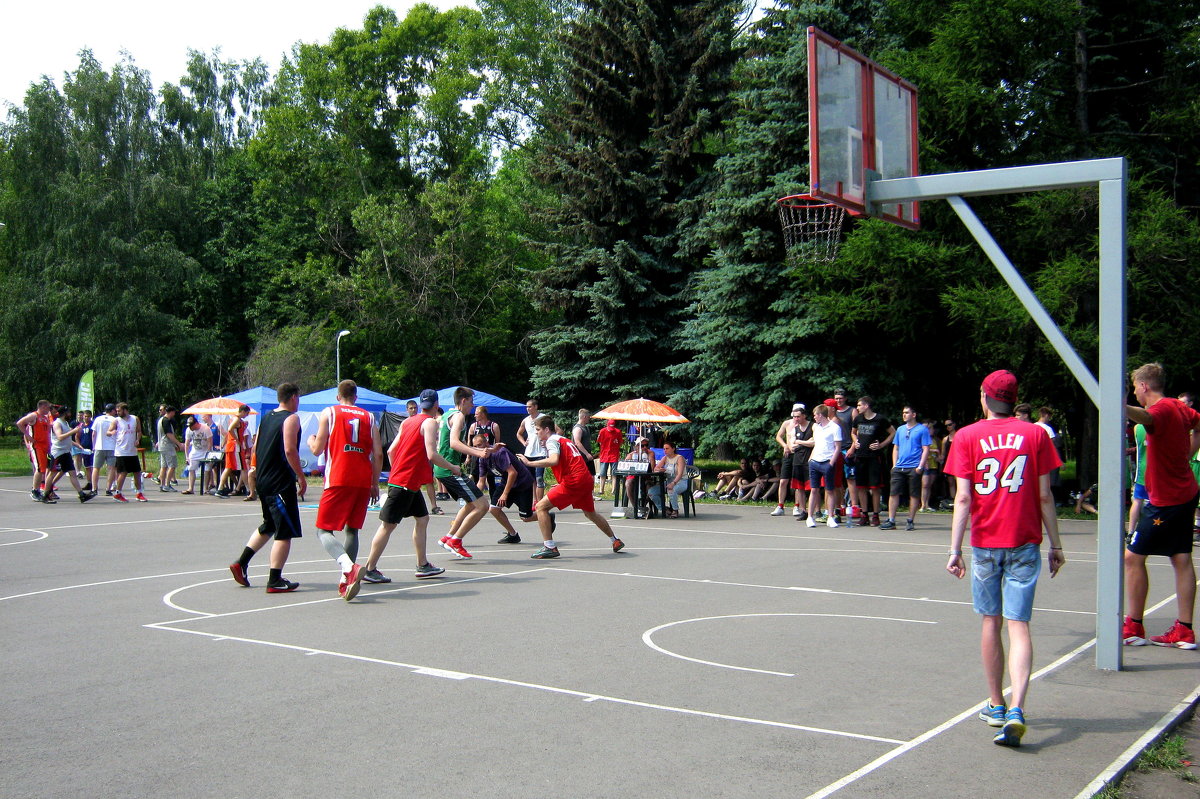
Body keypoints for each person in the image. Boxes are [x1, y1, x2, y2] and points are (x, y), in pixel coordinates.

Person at [945, 369, 1065, 748]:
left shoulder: (966, 436)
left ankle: (996, 703)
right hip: (1024, 540)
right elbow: (1045, 495)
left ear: (985, 397)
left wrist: (954, 548)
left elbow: (963, 498)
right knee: (1019, 625)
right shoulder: (1035, 434)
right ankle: (1017, 708)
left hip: (985, 541)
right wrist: (1056, 544)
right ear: (1015, 399)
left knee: (990, 622)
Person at [1122, 363, 1200, 650]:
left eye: (1134, 388)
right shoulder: (1180, 408)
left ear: (1143, 386)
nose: (1134, 393)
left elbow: (1145, 417)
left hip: (1167, 500)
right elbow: (1199, 425)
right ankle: (1185, 629)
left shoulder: (1163, 408)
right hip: (1184, 492)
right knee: (1181, 558)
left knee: (1132, 558)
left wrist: (1122, 407)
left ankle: (1133, 626)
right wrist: (1186, 456)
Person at [362, 388, 453, 583]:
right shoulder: (429, 422)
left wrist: (399, 469)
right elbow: (431, 454)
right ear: (436, 405)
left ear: (421, 405)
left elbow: (391, 451)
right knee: (388, 525)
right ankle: (369, 568)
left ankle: (422, 564)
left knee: (422, 518)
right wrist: (453, 467)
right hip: (405, 482)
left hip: (408, 482)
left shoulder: (407, 421)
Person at [228, 383, 308, 593]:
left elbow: (255, 447)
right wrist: (301, 476)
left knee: (269, 525)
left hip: (264, 479)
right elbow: (290, 450)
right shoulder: (291, 418)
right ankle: (275, 579)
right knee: (285, 531)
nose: (298, 402)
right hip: (279, 481)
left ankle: (241, 563)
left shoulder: (267, 417)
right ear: (292, 398)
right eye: (298, 397)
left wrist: (255, 470)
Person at [307, 380, 382, 601]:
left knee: (323, 530)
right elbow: (378, 454)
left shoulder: (330, 412)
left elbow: (317, 449)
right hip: (362, 479)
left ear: (338, 396)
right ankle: (346, 581)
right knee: (352, 530)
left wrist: (311, 439)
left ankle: (348, 567)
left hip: (339, 477)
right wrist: (374, 483)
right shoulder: (369, 417)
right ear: (356, 397)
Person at [519, 415, 625, 558]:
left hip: (574, 481)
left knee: (540, 507)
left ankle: (549, 546)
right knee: (590, 513)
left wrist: (530, 463)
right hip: (584, 479)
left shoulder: (551, 441)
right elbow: (571, 462)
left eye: (538, 430)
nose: (536, 433)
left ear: (546, 429)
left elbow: (554, 460)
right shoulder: (564, 440)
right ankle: (615, 540)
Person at [435, 387, 499, 560]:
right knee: (483, 506)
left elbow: (456, 441)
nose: (472, 406)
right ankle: (455, 541)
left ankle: (449, 536)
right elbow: (455, 443)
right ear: (463, 401)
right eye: (471, 402)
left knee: (471, 503)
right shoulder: (459, 416)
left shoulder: (447, 415)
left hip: (445, 468)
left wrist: (480, 449)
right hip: (450, 468)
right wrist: (478, 453)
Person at [473, 432, 540, 544]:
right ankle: (513, 534)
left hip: (522, 483)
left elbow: (512, 473)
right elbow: (481, 482)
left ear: (487, 443)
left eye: (479, 445)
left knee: (526, 517)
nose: (477, 448)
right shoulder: (482, 459)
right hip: (507, 482)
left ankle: (546, 516)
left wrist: (505, 494)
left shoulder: (499, 452)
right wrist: (472, 498)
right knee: (494, 509)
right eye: (474, 446)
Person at [881, 406, 931, 531]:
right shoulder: (900, 429)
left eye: (907, 413)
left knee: (913, 494)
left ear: (914, 414)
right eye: (903, 412)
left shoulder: (922, 429)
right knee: (893, 493)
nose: (904, 415)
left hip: (914, 467)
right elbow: (896, 448)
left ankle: (910, 520)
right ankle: (891, 520)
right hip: (900, 466)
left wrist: (920, 466)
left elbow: (926, 449)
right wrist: (894, 465)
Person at [850, 396, 894, 527]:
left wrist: (881, 445)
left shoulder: (880, 419)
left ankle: (875, 515)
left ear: (866, 405)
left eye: (859, 405)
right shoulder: (858, 419)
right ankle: (864, 514)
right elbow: (853, 432)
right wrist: (855, 441)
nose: (857, 408)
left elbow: (893, 432)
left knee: (875, 487)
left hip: (875, 457)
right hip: (860, 456)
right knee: (861, 487)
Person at [43, 407, 97, 503]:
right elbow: (60, 437)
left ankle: (81, 495)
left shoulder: (65, 423)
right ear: (64, 413)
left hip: (66, 452)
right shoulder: (57, 423)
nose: (70, 414)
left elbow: (67, 438)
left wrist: (77, 445)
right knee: (52, 473)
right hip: (58, 453)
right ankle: (46, 494)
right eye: (68, 413)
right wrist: (74, 431)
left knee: (72, 473)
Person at [804, 404, 842, 528]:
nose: (814, 417)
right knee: (814, 490)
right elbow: (816, 444)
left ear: (820, 415)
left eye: (815, 415)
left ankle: (830, 517)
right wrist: (811, 459)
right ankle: (810, 517)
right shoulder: (816, 428)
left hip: (827, 462)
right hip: (815, 461)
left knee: (829, 490)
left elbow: (837, 447)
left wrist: (831, 463)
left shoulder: (835, 427)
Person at [773, 403, 811, 518]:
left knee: (797, 483)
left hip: (799, 455)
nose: (795, 418)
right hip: (788, 454)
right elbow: (778, 436)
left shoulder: (805, 425)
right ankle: (780, 506)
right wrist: (785, 445)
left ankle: (797, 506)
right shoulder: (787, 423)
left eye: (798, 415)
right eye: (794, 414)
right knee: (783, 481)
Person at [108, 402, 147, 502]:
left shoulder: (135, 419)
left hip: (132, 451)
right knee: (123, 472)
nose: (117, 413)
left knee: (137, 472)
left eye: (119, 411)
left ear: (125, 410)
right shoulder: (116, 421)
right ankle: (118, 493)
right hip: (121, 451)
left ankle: (139, 493)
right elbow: (108, 432)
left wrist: (138, 439)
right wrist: (111, 432)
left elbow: (139, 431)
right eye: (116, 411)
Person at [16, 399, 53, 501]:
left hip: (45, 446)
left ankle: (38, 490)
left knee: (43, 468)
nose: (49, 409)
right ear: (42, 407)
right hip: (37, 446)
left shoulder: (45, 418)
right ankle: (35, 491)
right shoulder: (34, 416)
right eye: (48, 407)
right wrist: (28, 436)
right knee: (40, 469)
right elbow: (20, 423)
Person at [517, 399, 549, 502]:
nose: (528, 409)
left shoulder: (544, 418)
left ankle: (540, 502)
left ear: (535, 407)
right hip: (529, 453)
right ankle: (534, 501)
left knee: (539, 478)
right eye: (526, 407)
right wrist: (523, 442)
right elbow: (518, 433)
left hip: (541, 453)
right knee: (531, 479)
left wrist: (547, 441)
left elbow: (557, 431)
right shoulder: (526, 420)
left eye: (530, 406)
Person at [216, 406, 251, 496]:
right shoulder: (236, 419)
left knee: (228, 468)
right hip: (235, 447)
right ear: (243, 411)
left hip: (231, 446)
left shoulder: (234, 419)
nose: (247, 415)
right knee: (243, 468)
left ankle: (220, 488)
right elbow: (230, 429)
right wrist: (237, 440)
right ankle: (248, 489)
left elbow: (231, 430)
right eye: (247, 413)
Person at [650, 440, 688, 518]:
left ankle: (675, 510)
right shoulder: (665, 458)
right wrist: (659, 469)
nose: (665, 451)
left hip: (680, 481)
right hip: (669, 481)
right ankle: (664, 508)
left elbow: (680, 474)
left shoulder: (679, 458)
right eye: (664, 449)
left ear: (673, 449)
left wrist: (673, 483)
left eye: (667, 448)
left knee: (671, 490)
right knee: (651, 492)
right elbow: (655, 468)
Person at [91, 403, 118, 496]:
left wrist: (93, 446)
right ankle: (108, 488)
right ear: (112, 411)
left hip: (99, 446)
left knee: (96, 468)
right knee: (111, 468)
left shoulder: (98, 419)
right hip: (111, 446)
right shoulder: (115, 420)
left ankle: (94, 488)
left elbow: (93, 434)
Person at [182, 416, 213, 494]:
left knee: (207, 469)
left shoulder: (205, 428)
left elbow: (210, 442)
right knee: (191, 469)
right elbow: (187, 443)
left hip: (205, 450)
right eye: (189, 425)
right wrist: (187, 456)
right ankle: (190, 488)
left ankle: (206, 488)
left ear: (196, 423)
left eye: (191, 425)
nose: (190, 427)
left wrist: (208, 453)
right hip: (195, 451)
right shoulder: (189, 430)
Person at [155, 406, 184, 492]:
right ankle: (167, 485)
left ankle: (162, 485)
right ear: (171, 412)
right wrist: (178, 444)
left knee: (163, 466)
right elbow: (169, 434)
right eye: (174, 412)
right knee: (172, 465)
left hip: (162, 446)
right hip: (167, 446)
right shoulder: (166, 421)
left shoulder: (160, 420)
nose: (174, 414)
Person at [596, 419, 624, 496]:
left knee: (614, 473)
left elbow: (620, 442)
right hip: (604, 455)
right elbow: (599, 441)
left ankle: (613, 490)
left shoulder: (618, 432)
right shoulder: (602, 431)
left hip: (614, 455)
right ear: (607, 425)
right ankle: (601, 490)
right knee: (602, 473)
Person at [920, 419, 942, 512]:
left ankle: (927, 504)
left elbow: (938, 453)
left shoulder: (935, 440)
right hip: (925, 464)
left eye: (930, 428)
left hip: (933, 464)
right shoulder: (921, 438)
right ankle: (922, 505)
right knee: (924, 484)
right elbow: (921, 450)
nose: (929, 430)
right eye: (927, 428)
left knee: (929, 485)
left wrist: (938, 457)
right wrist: (934, 451)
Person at [572, 408, 597, 486]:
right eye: (588, 417)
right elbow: (577, 442)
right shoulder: (578, 428)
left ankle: (590, 494)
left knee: (591, 475)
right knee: (582, 476)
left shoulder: (586, 428)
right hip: (581, 457)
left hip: (588, 457)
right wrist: (586, 454)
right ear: (584, 417)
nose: (589, 419)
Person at [74, 409, 94, 489]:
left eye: (88, 416)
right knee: (87, 467)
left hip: (92, 448)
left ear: (91, 417)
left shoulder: (93, 425)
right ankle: (89, 483)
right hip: (84, 449)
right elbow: (77, 436)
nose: (86, 418)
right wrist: (79, 445)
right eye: (85, 416)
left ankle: (93, 483)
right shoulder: (80, 426)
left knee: (93, 467)